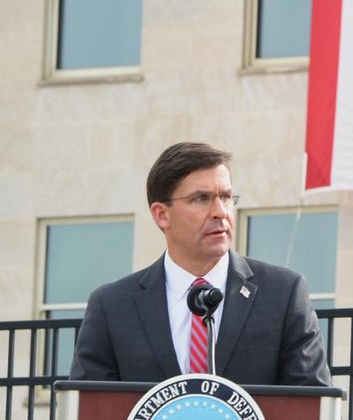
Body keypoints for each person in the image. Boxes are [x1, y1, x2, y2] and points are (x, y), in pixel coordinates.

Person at [69, 141, 334, 387]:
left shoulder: (283, 294)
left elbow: (314, 411)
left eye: (226, 197)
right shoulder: (112, 307)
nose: (220, 212)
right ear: (162, 215)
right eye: (201, 199)